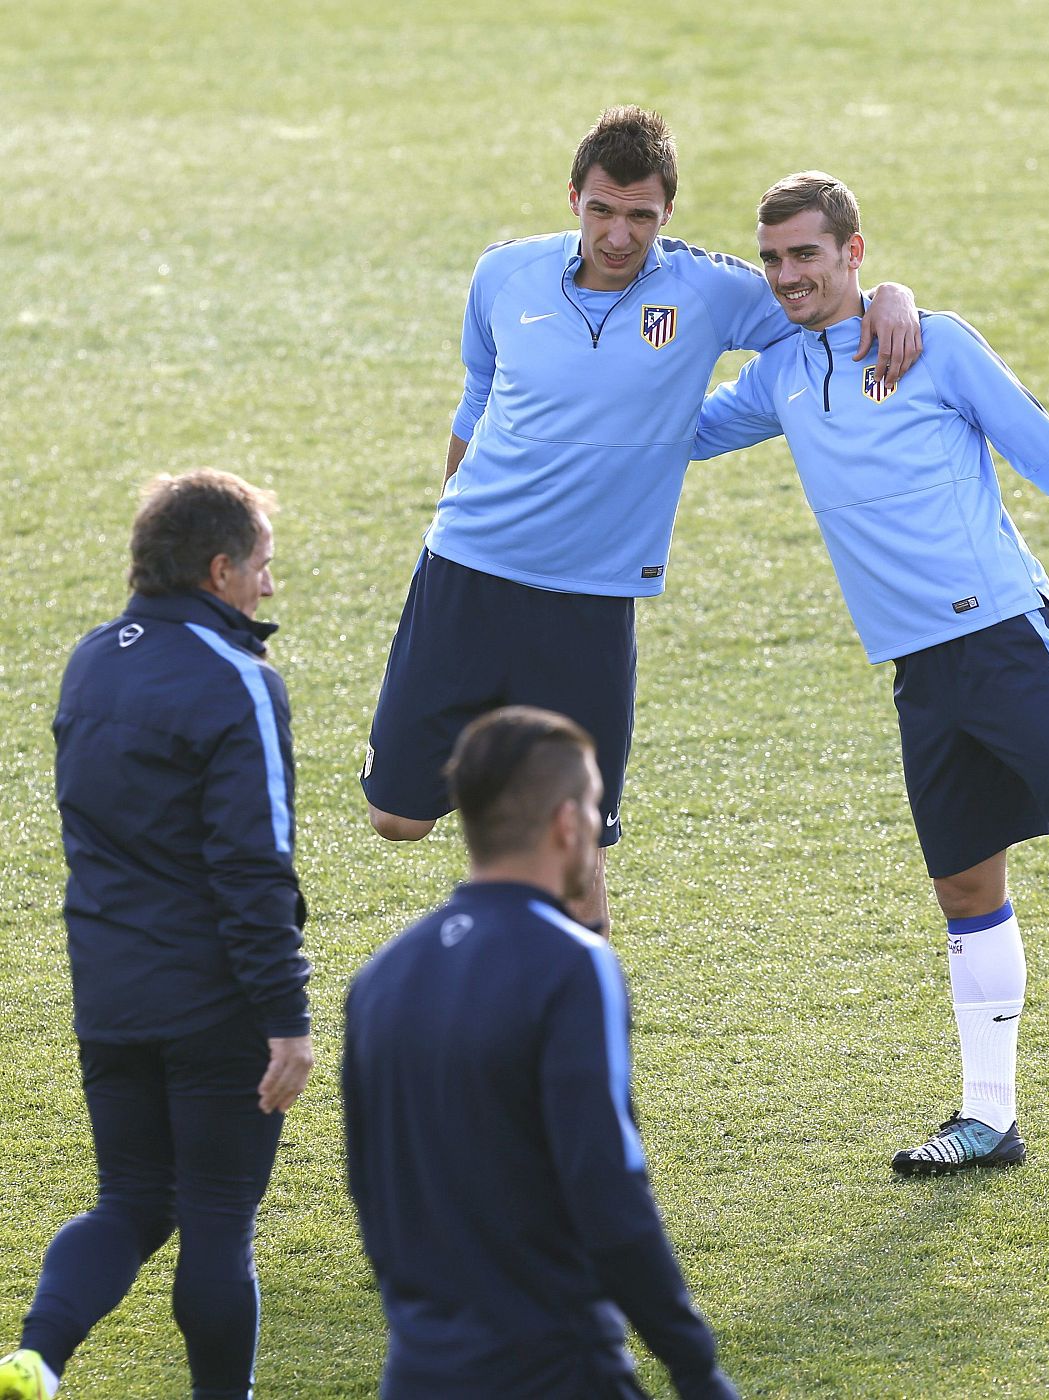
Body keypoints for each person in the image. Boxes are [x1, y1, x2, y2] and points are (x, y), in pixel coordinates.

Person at [691, 172, 1049, 1175]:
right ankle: (988, 1116)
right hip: (917, 666)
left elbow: (1045, 451)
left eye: (808, 254)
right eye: (775, 258)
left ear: (853, 253)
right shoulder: (779, 377)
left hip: (1002, 630)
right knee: (966, 884)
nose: (790, 274)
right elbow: (676, 435)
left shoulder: (934, 345)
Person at [361, 105, 923, 935]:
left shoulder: (710, 290)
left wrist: (893, 296)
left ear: (667, 215)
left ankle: (580, 1040)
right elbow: (478, 393)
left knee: (579, 854)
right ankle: (506, 832)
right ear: (572, 198)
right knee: (397, 821)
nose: (617, 235)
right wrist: (453, 505)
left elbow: (824, 313)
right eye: (601, 209)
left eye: (639, 216)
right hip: (467, 573)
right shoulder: (503, 275)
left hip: (589, 602)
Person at [0, 471, 313, 1400]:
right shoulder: (241, 683)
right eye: (261, 566)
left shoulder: (91, 660)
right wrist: (286, 1017)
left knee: (131, 1201)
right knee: (218, 1214)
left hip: (109, 991)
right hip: (213, 1000)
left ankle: (35, 1358)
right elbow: (253, 869)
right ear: (219, 570)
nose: (268, 587)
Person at [343, 706, 739, 1400]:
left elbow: (370, 1185)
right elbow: (607, 1190)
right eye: (591, 804)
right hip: (549, 1365)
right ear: (565, 823)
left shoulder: (380, 976)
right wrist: (692, 1363)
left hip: (417, 1369)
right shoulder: (571, 965)